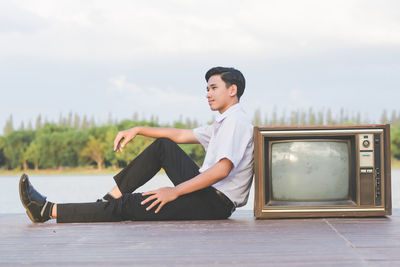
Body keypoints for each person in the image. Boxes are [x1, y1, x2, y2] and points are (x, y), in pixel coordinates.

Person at [19, 66, 254, 223]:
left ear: (232, 90)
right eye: (207, 89)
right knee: (164, 145)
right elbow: (180, 135)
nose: (208, 94)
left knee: (130, 205)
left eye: (214, 88)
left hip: (214, 203)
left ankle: (47, 211)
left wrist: (174, 191)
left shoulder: (235, 121)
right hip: (208, 194)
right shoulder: (225, 122)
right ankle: (108, 200)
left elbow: (222, 169)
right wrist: (139, 130)